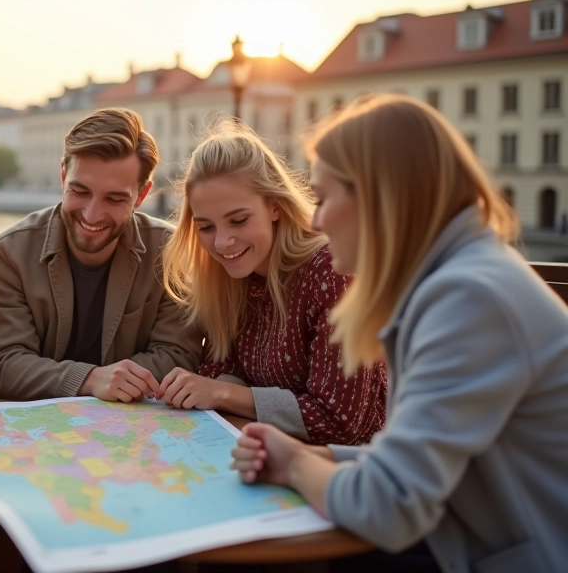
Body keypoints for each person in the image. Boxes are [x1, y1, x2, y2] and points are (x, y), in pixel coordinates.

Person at [231, 94, 568, 572]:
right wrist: (317, 453)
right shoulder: (462, 278)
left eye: (325, 198)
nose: (316, 220)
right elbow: (408, 461)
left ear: (380, 195)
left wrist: (295, 466)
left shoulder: (467, 299)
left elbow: (389, 505)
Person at [159, 123, 387, 445]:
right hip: (270, 459)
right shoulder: (228, 277)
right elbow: (217, 368)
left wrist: (224, 393)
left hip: (352, 476)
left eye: (239, 220)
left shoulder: (333, 273)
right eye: (206, 227)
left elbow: (339, 421)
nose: (223, 242)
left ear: (275, 206)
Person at [0, 108, 203, 401]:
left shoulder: (170, 251)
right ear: (63, 175)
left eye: (114, 198)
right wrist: (90, 380)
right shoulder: (10, 251)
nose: (92, 214)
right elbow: (4, 367)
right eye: (80, 191)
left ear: (141, 194)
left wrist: (109, 382)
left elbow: (180, 356)